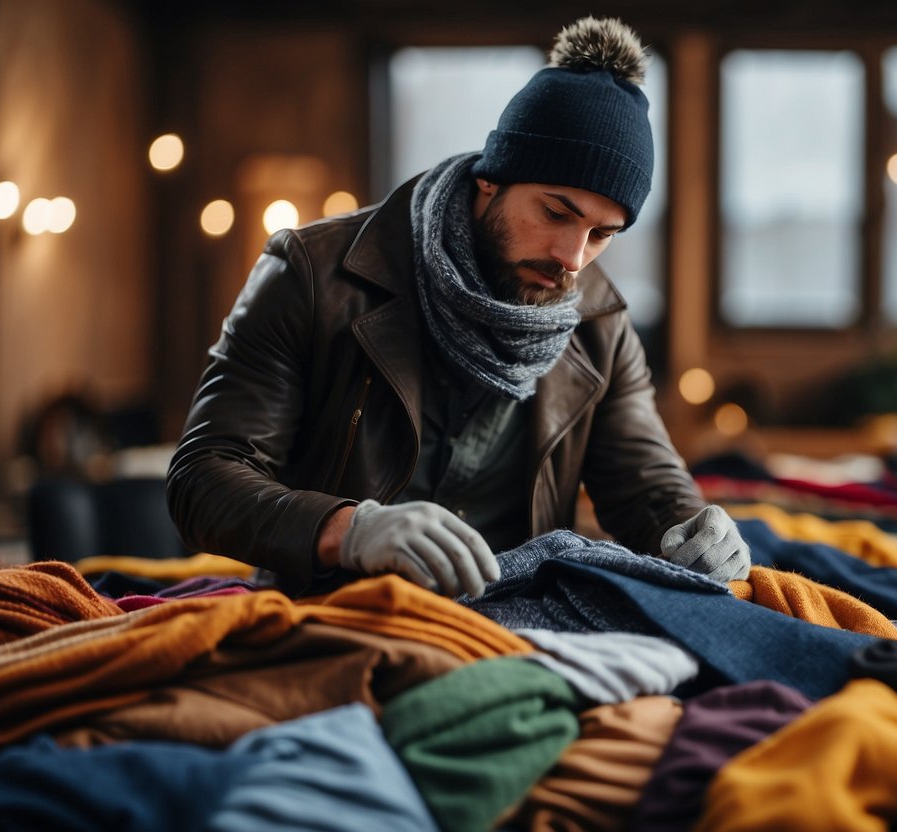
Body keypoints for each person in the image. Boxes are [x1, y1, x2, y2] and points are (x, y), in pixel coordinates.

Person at [166, 15, 751, 598]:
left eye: (602, 235)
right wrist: (349, 529)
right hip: (331, 608)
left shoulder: (598, 322)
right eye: (556, 213)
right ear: (492, 179)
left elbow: (644, 486)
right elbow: (202, 479)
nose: (572, 257)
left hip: (517, 622)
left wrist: (692, 529)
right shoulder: (312, 273)